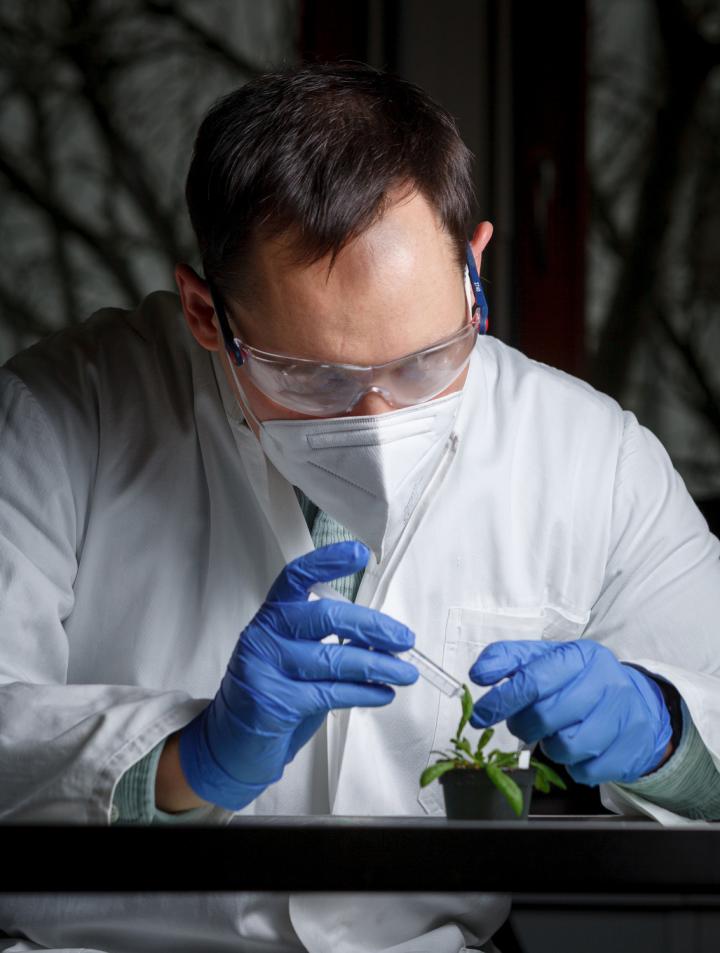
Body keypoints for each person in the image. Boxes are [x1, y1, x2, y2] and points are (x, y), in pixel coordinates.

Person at [0, 61, 719, 953]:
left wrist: (663, 732)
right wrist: (189, 760)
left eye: (429, 359)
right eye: (315, 377)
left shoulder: (592, 456)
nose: (382, 422)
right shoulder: (55, 416)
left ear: (473, 269)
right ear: (202, 311)